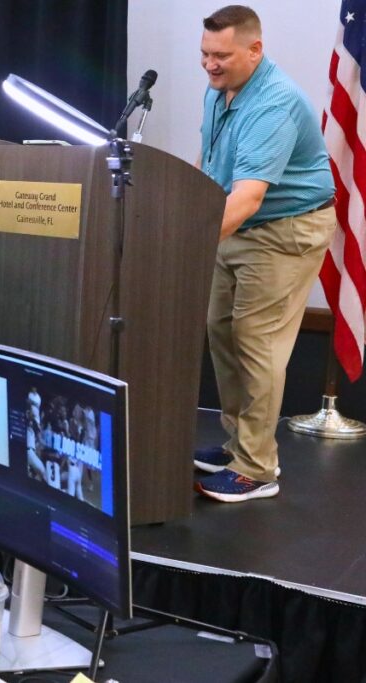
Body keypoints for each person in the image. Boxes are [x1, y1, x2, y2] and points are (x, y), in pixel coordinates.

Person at [193, 6, 336, 503]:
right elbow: (209, 162)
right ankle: (240, 444)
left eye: (222, 55)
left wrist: (183, 245)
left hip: (284, 229)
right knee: (220, 330)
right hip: (236, 224)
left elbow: (249, 197)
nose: (210, 64)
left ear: (255, 50)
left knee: (257, 340)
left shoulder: (274, 104)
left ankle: (257, 468)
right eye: (205, 53)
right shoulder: (219, 89)